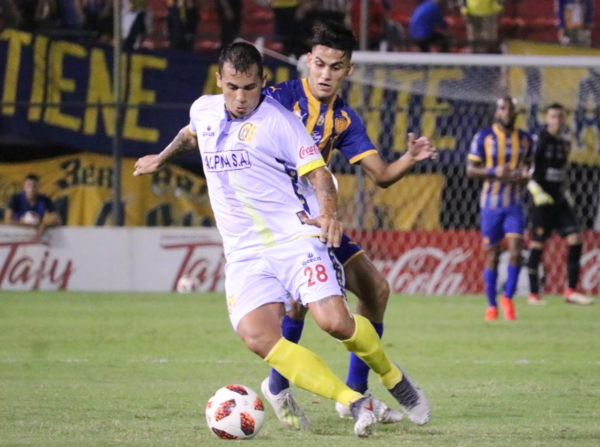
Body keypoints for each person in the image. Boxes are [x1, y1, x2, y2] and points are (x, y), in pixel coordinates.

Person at [133, 42, 429, 438]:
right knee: (257, 336)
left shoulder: (279, 122)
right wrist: (161, 157)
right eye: (233, 87)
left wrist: (328, 215)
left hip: (294, 239)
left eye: (250, 88)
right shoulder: (204, 108)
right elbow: (191, 134)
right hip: (243, 253)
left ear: (263, 82)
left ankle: (392, 376)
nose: (240, 98)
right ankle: (356, 401)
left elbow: (321, 176)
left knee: (335, 323)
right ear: (218, 80)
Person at [262, 21, 435, 428]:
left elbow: (381, 174)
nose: (325, 74)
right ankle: (279, 385)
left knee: (375, 289)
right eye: (319, 64)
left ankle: (354, 394)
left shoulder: (343, 119)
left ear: (349, 70)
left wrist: (409, 158)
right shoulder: (277, 99)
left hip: (318, 216)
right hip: (279, 220)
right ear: (308, 61)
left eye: (335, 67)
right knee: (299, 302)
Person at [466, 97, 533, 321]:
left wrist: (523, 176)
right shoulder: (484, 137)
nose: (507, 112)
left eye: (510, 109)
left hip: (514, 204)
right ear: (497, 113)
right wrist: (495, 171)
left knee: (516, 251)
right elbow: (471, 169)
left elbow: (528, 169)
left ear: (515, 112)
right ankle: (491, 305)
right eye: (503, 109)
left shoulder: (525, 139)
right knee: (492, 254)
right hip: (490, 205)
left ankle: (508, 298)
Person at [527, 103, 594, 306]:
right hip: (541, 200)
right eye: (553, 116)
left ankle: (571, 291)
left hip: (560, 200)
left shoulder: (566, 141)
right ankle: (533, 294)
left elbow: (563, 170)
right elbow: (527, 168)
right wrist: (535, 190)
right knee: (538, 245)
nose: (557, 120)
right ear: (546, 119)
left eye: (560, 117)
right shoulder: (539, 140)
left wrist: (566, 191)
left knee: (575, 240)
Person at [5, 174, 61, 238]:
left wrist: (44, 225)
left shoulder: (45, 200)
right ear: (24, 187)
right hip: (17, 233)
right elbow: (8, 220)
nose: (31, 188)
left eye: (34, 185)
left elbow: (57, 220)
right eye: (28, 185)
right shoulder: (16, 198)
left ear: (39, 187)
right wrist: (32, 226)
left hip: (38, 233)